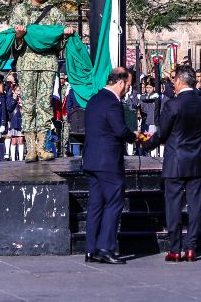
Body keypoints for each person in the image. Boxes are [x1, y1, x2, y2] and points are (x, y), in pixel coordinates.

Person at [139, 65, 201, 262]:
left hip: (175, 161)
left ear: (179, 81)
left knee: (174, 206)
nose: (173, 85)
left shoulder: (173, 104)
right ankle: (191, 248)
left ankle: (175, 248)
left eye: (173, 82)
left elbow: (162, 133)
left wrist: (146, 145)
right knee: (195, 205)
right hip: (196, 159)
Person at [10, 0, 74, 162]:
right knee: (28, 105)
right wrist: (19, 37)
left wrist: (65, 36)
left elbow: (60, 45)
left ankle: (43, 146)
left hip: (47, 63)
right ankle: (30, 148)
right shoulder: (20, 11)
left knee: (45, 106)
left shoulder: (55, 13)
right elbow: (13, 43)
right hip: (27, 63)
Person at [81, 67, 138, 264]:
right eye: (127, 85)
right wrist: (135, 137)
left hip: (91, 161)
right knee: (114, 202)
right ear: (120, 82)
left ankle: (91, 249)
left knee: (95, 205)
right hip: (108, 163)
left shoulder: (94, 99)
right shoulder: (113, 103)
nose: (127, 89)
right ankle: (105, 247)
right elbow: (120, 130)